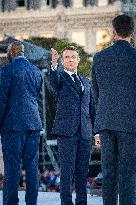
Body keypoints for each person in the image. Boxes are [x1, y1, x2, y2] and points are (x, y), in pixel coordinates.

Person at [92, 14, 136, 205]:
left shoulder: (99, 57)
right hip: (130, 124)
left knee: (108, 173)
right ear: (132, 33)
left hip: (106, 122)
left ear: (113, 32)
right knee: (128, 174)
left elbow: (95, 92)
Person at [47, 46, 95, 205]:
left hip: (85, 133)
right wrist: (53, 66)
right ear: (62, 60)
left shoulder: (85, 81)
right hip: (66, 132)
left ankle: (82, 203)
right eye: (66, 57)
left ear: (78, 60)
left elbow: (91, 108)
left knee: (82, 173)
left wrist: (96, 132)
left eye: (73, 57)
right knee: (67, 173)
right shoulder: (59, 77)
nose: (70, 59)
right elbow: (53, 83)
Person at [0, 41, 43, 205]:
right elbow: (35, 96)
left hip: (13, 125)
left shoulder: (7, 70)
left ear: (11, 52)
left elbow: (2, 100)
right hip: (33, 124)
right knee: (32, 168)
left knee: (12, 168)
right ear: (23, 53)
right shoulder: (36, 71)